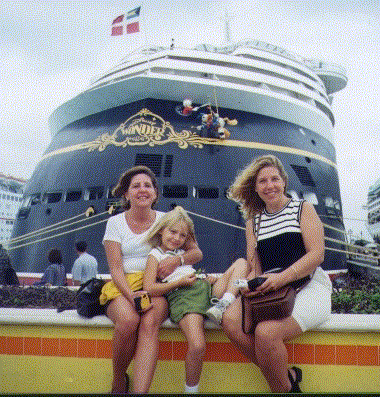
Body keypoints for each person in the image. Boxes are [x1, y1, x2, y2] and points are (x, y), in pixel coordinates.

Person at [221, 154, 332, 393]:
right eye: (262, 181)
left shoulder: (302, 209)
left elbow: (317, 256)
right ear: (255, 187)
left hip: (308, 286)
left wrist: (281, 278)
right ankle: (286, 377)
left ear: (284, 182)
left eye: (274, 179)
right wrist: (252, 282)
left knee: (266, 333)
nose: (269, 185)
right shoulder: (253, 222)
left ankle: (282, 387)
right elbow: (254, 265)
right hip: (272, 289)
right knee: (230, 321)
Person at [100, 165, 203, 394]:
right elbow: (115, 269)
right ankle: (119, 380)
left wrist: (177, 261)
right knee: (128, 321)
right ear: (126, 194)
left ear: (155, 193)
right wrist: (132, 295)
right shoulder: (115, 223)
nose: (142, 190)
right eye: (135, 186)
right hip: (124, 285)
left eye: (147, 185)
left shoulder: (167, 220)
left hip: (157, 285)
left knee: (149, 324)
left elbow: (196, 253)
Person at [143, 206, 248, 394]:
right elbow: (149, 288)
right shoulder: (155, 255)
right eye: (172, 232)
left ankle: (224, 303)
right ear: (161, 230)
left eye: (182, 235)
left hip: (204, 287)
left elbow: (196, 253)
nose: (177, 238)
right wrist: (178, 283)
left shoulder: (181, 253)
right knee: (198, 345)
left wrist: (210, 279)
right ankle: (191, 390)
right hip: (185, 297)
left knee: (242, 263)